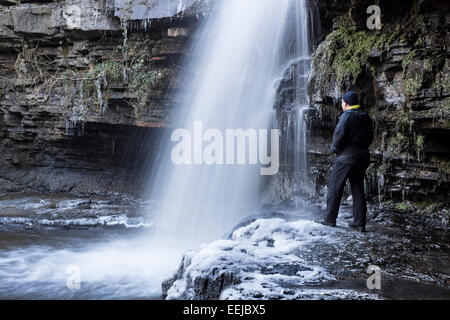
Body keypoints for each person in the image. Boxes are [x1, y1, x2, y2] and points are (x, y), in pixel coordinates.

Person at [317, 91, 374, 232]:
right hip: (362, 157)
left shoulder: (347, 116)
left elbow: (339, 135)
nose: (341, 104)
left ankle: (329, 220)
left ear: (346, 103)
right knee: (358, 189)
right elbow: (370, 136)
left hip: (346, 158)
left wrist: (334, 149)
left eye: (342, 102)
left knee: (335, 188)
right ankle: (359, 224)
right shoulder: (366, 116)